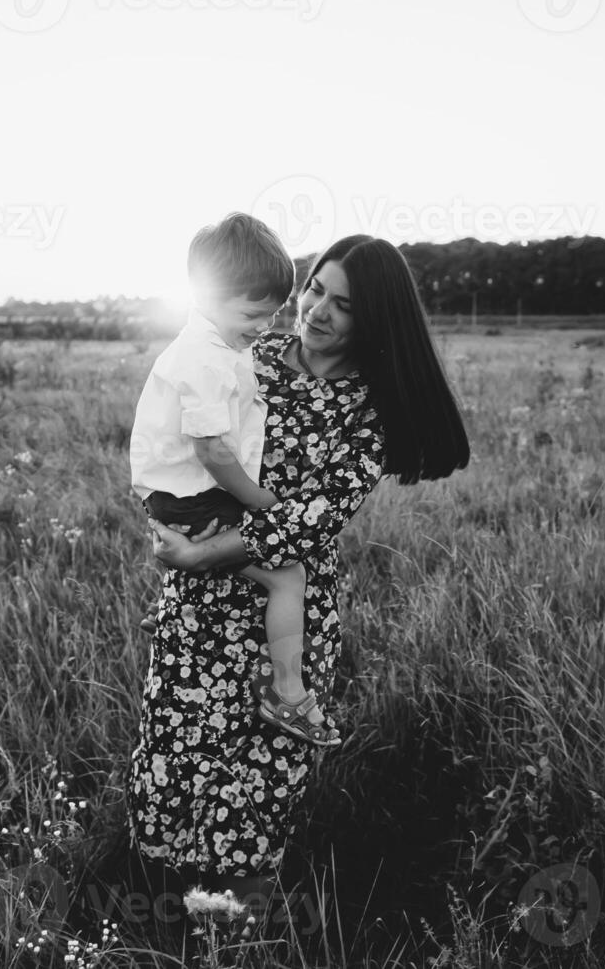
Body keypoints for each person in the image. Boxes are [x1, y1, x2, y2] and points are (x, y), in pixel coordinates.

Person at [127, 233, 470, 915]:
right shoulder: (246, 351)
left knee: (259, 768)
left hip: (285, 612)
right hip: (199, 604)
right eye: (314, 288)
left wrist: (205, 550)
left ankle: (232, 923)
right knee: (179, 742)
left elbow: (317, 517)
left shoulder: (371, 407)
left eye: (342, 305)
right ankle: (158, 910)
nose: (316, 310)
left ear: (374, 319)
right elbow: (177, 438)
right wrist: (173, 531)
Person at [130, 212, 339, 746]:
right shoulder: (205, 359)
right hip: (192, 494)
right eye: (253, 314)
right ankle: (289, 695)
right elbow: (212, 449)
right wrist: (262, 500)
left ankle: (177, 612)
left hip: (178, 493)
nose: (264, 327)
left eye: (272, 315)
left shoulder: (219, 344)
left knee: (238, 549)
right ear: (205, 295)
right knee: (286, 574)